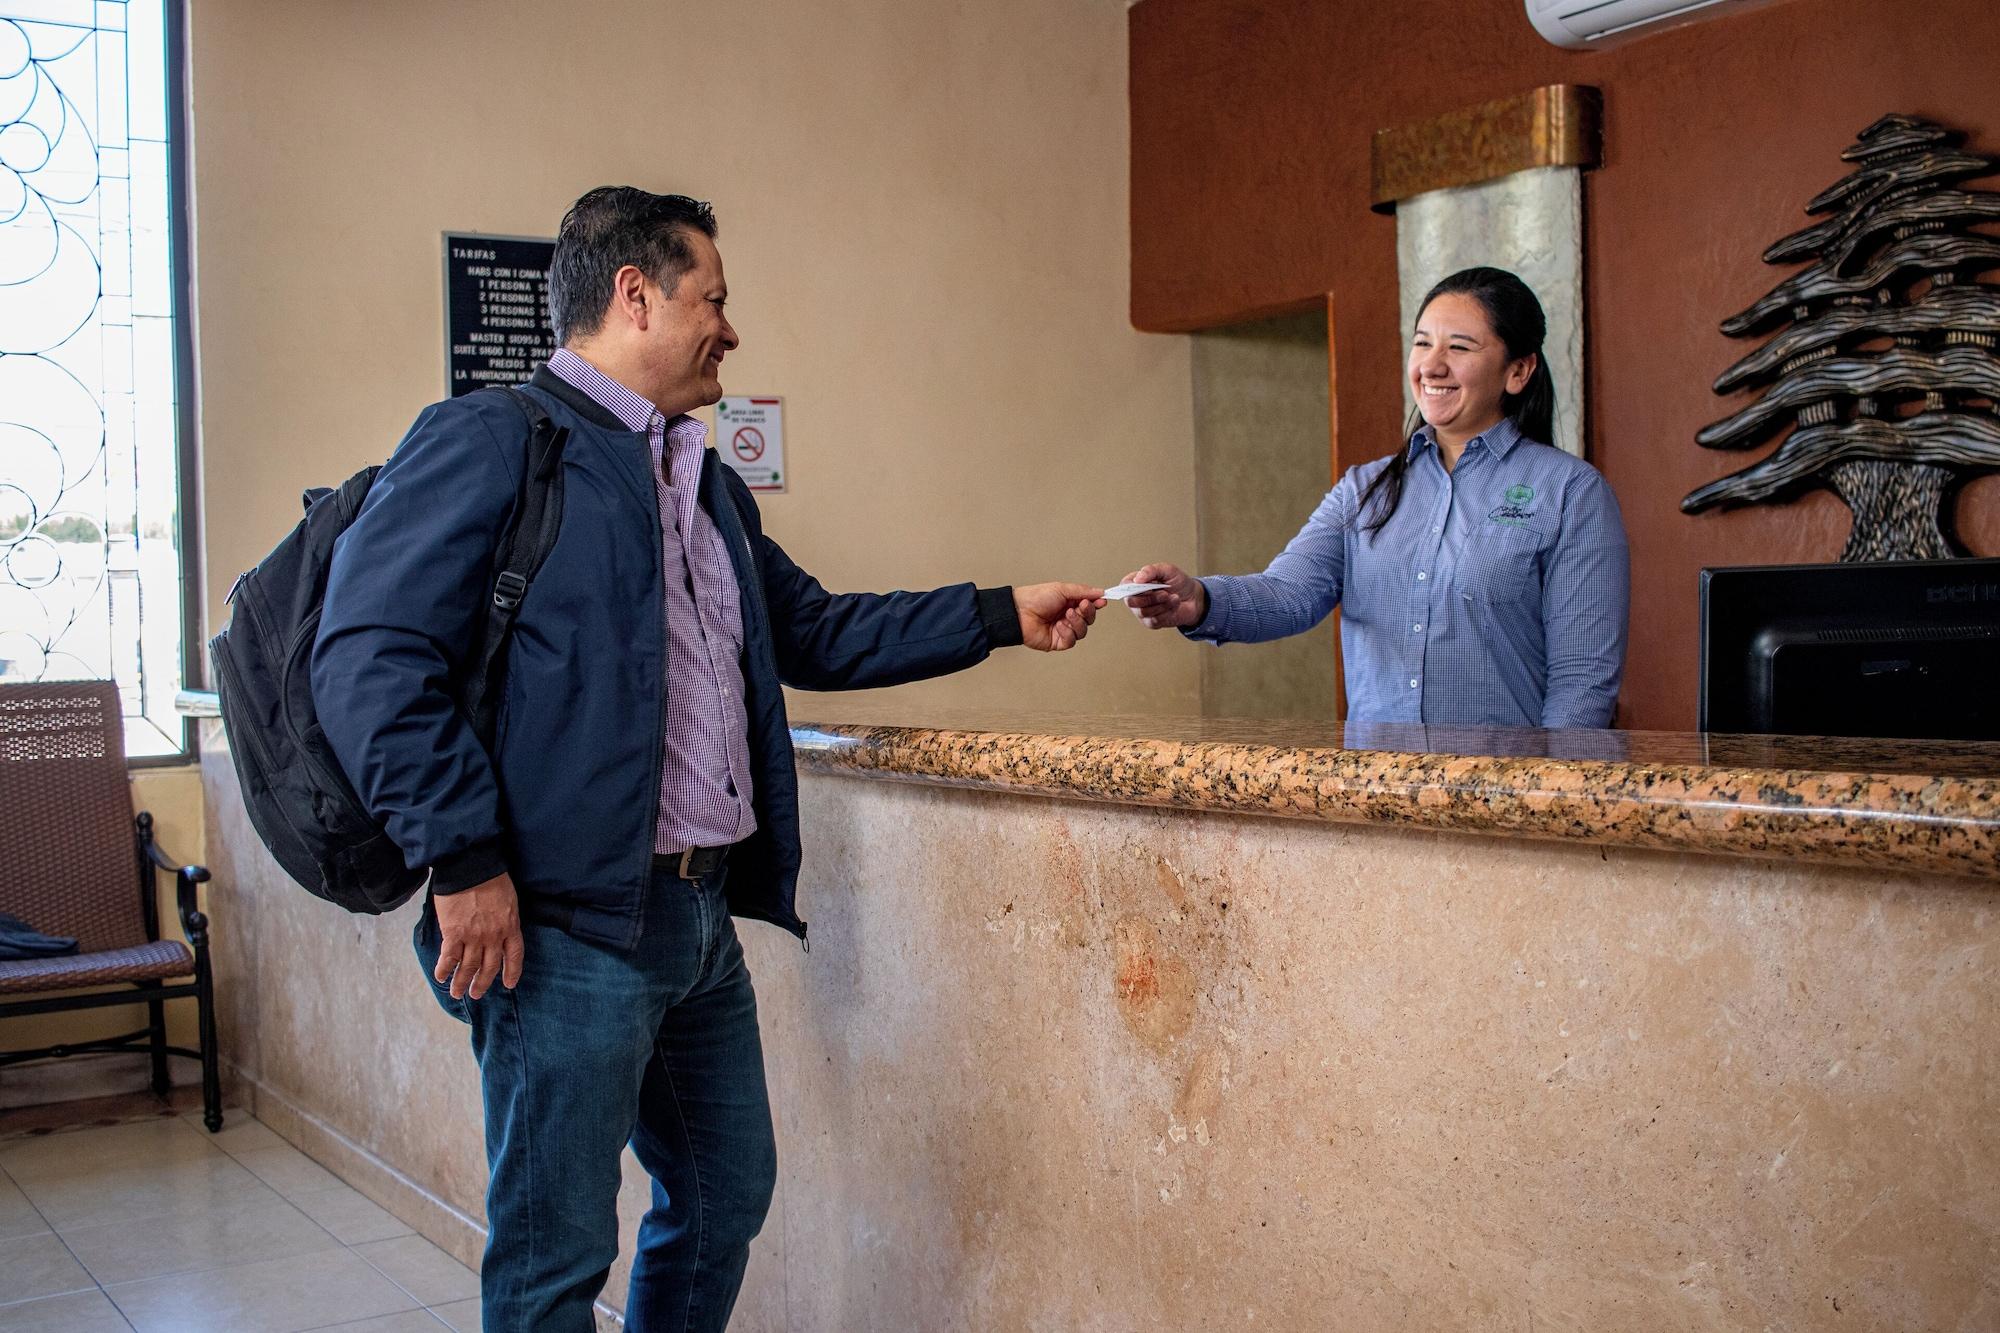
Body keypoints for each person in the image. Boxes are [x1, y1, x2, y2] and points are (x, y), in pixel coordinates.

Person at [311, 186, 1105, 1331]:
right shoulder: (493, 441)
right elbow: (369, 657)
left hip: (692, 925)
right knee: (554, 1257)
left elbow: (816, 630)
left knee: (726, 1194)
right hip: (560, 928)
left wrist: (995, 612)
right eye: (713, 299)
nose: (728, 329)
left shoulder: (701, 479)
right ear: (635, 296)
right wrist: (463, 859)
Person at [1124, 267, 1629, 729]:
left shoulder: (1570, 492)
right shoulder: (1362, 490)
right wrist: (1198, 600)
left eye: (1460, 348)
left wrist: (1546, 805)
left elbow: (1582, 682)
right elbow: (1288, 594)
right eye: (1422, 343)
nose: (1431, 366)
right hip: (1377, 801)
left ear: (1518, 372)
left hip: (1501, 802)